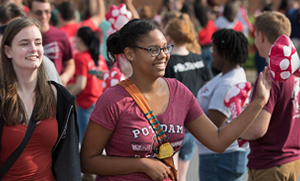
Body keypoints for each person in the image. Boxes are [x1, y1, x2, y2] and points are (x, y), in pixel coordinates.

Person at [80, 19, 271, 181]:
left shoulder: (179, 92)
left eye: (165, 48)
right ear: (130, 54)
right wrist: (142, 164)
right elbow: (87, 161)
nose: (163, 55)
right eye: (153, 50)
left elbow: (217, 141)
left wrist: (258, 103)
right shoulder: (113, 100)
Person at [0, 17, 80, 180]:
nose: (33, 49)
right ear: (8, 51)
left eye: (38, 42)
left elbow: (69, 158)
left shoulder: (60, 97)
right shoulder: (2, 98)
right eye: (24, 43)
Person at [240, 11, 300, 181]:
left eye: (254, 35)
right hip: (293, 159)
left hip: (269, 164)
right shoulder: (295, 71)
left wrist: (235, 128)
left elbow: (258, 129)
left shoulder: (269, 76)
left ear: (261, 36)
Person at [196, 29, 249, 181]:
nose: (212, 54)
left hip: (219, 158)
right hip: (221, 155)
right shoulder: (231, 74)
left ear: (225, 53)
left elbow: (213, 126)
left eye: (214, 49)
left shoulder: (227, 84)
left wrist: (187, 114)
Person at [164, 17, 213, 181]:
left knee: (173, 174)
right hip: (194, 124)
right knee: (182, 175)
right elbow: (208, 88)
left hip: (173, 125)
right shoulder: (199, 59)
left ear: (169, 37)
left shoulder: (167, 63)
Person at [69, 26, 108, 144]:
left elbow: (81, 85)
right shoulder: (100, 58)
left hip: (86, 106)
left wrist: (64, 96)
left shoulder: (81, 58)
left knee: (86, 145)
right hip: (101, 104)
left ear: (79, 39)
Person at [28, 0, 75, 86]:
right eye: (38, 12)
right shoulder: (23, 37)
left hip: (54, 91)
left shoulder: (61, 35)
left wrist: (65, 77)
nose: (44, 16)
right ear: (29, 13)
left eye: (47, 11)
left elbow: (70, 63)